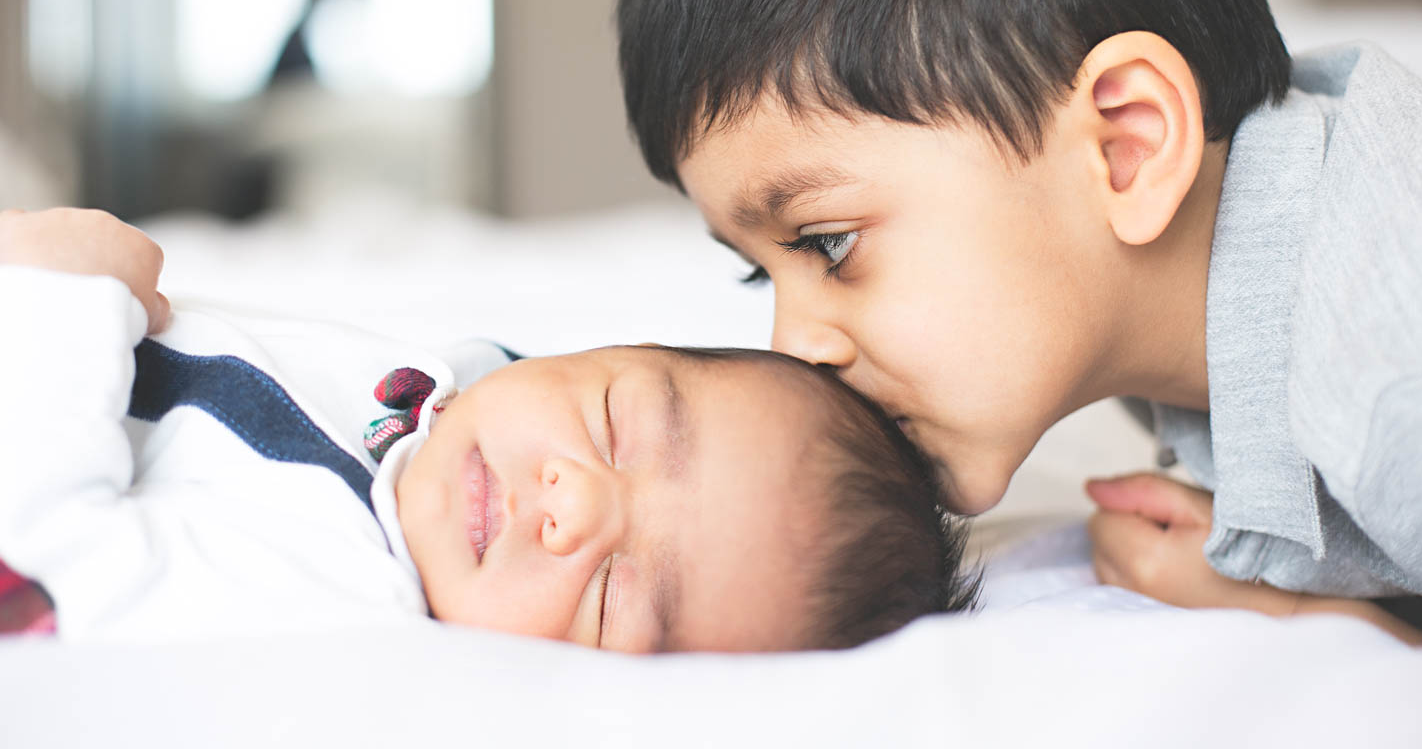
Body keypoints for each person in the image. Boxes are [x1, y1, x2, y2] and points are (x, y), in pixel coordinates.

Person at [614, 0, 1422, 652]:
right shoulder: (1192, 296)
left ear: (1128, 148)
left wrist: (1330, 628)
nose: (793, 348)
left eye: (829, 243)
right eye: (762, 277)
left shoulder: (1418, 361)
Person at [0, 207, 974, 651]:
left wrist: (59, 288)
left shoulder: (336, 594)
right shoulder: (453, 396)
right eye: (614, 421)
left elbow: (44, 569)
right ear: (602, 350)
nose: (574, 501)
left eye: (613, 595)